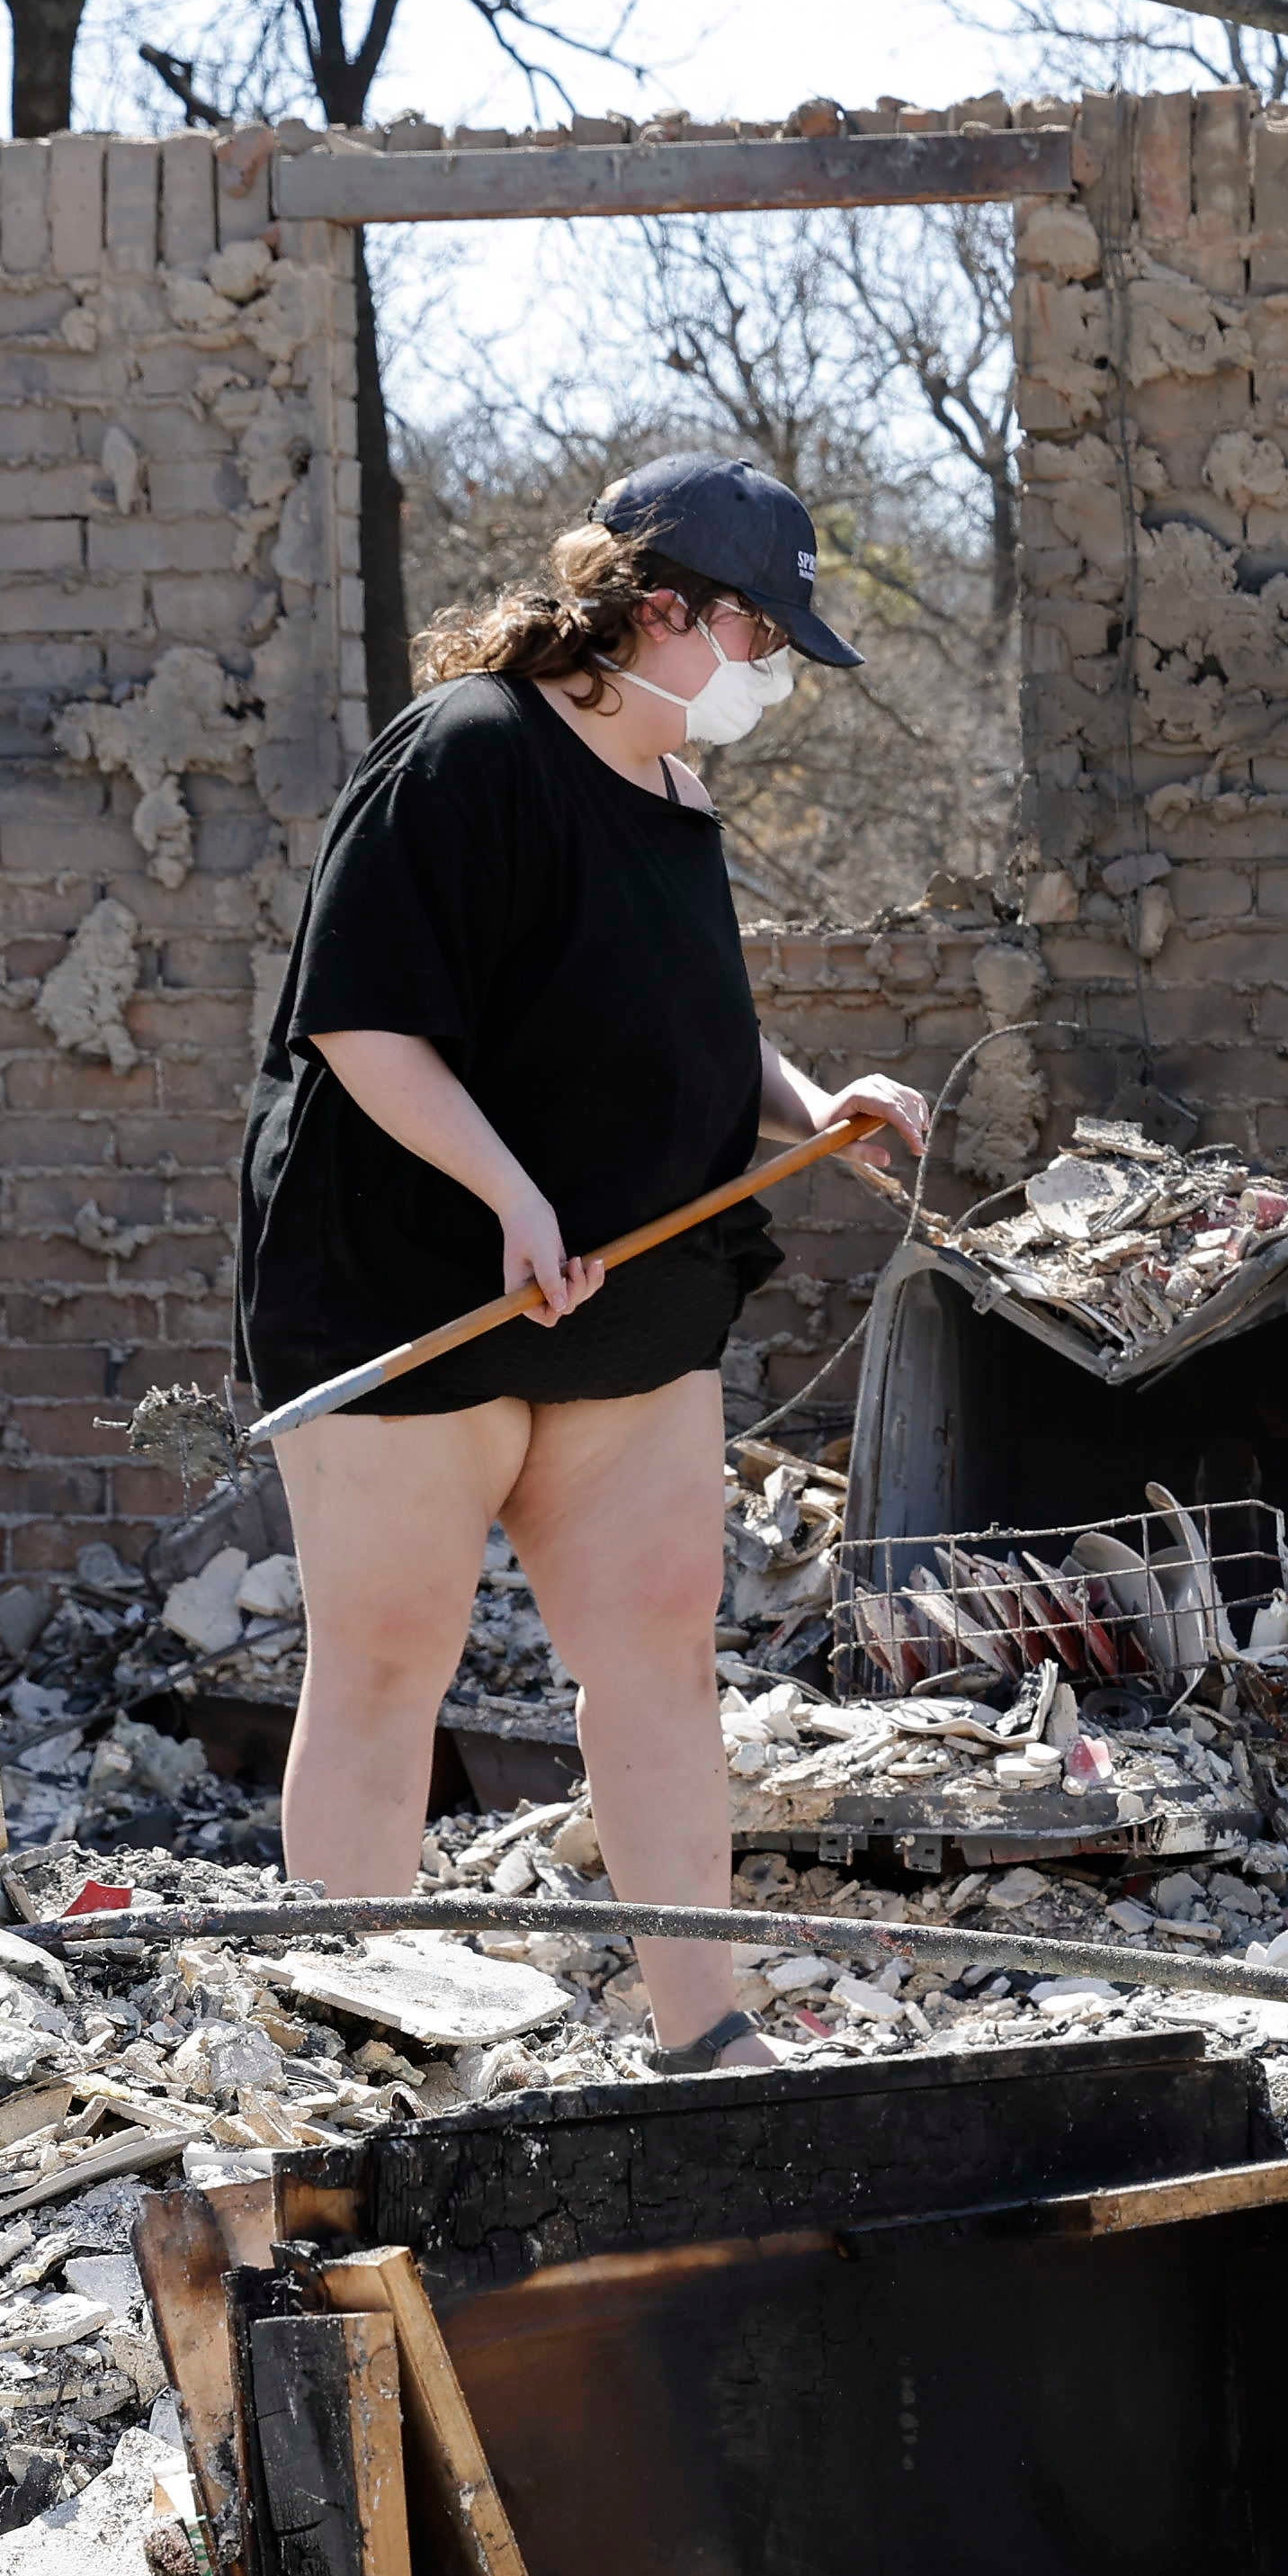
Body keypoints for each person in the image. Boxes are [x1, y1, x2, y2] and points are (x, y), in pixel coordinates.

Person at [232, 453, 931, 2075]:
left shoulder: (677, 785)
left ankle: (710, 2036)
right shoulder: (469, 751)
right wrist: (508, 1193)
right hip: (422, 1288)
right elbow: (361, 1020)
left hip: (631, 1297)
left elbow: (693, 1010)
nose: (764, 677)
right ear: (663, 607)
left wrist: (815, 1102)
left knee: (662, 1661)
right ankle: (356, 2053)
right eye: (757, 636)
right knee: (388, 1668)